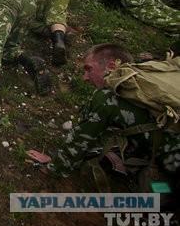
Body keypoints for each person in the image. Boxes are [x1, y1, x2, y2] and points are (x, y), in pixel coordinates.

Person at [43, 44, 180, 183]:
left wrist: (55, 167)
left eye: (89, 69)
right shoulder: (143, 80)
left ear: (112, 67)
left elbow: (81, 139)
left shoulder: (108, 97)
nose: (85, 78)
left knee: (152, 190)